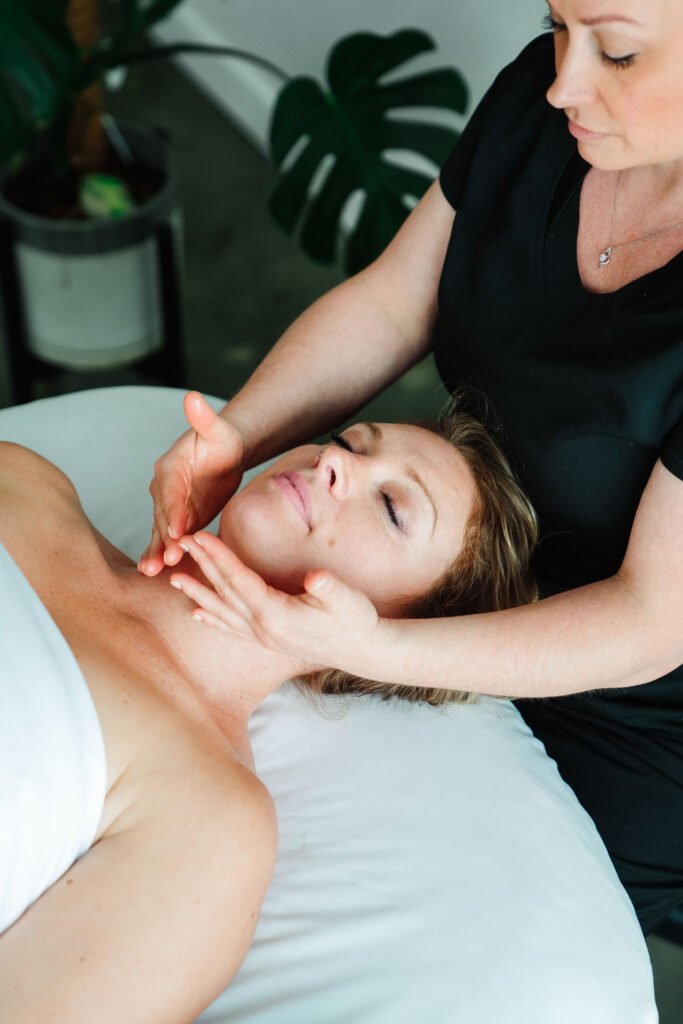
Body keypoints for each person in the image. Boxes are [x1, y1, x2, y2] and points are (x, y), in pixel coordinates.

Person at [141, 0, 683, 936]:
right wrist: (238, 437)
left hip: (630, 715)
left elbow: (649, 617)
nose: (562, 78)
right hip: (444, 573)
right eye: (556, 23)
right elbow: (396, 302)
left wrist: (370, 649)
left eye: (618, 51)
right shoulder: (544, 103)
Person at [0, 400, 536, 1022]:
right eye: (350, 442)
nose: (334, 461)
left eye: (393, 509)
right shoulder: (28, 483)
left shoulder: (210, 823)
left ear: (394, 633)